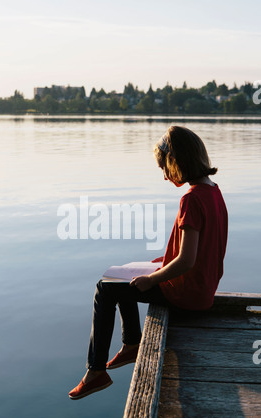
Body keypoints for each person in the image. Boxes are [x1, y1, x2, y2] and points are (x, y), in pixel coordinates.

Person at [69, 125, 228, 400]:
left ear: (177, 162)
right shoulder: (213, 192)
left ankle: (96, 372)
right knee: (120, 278)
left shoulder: (191, 200)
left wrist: (152, 278)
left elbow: (187, 261)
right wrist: (163, 261)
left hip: (187, 294)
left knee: (105, 289)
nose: (165, 177)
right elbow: (203, 250)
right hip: (204, 290)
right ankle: (131, 344)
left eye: (164, 168)